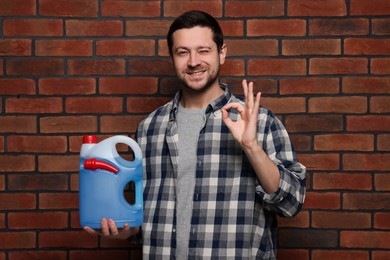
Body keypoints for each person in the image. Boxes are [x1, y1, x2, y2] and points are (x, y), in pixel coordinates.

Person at [85, 10, 306, 259]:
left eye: (203, 50)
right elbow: (149, 220)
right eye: (183, 52)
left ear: (221, 53)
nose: (193, 62)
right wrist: (124, 231)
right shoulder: (149, 128)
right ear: (172, 57)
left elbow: (292, 203)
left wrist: (251, 146)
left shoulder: (261, 122)